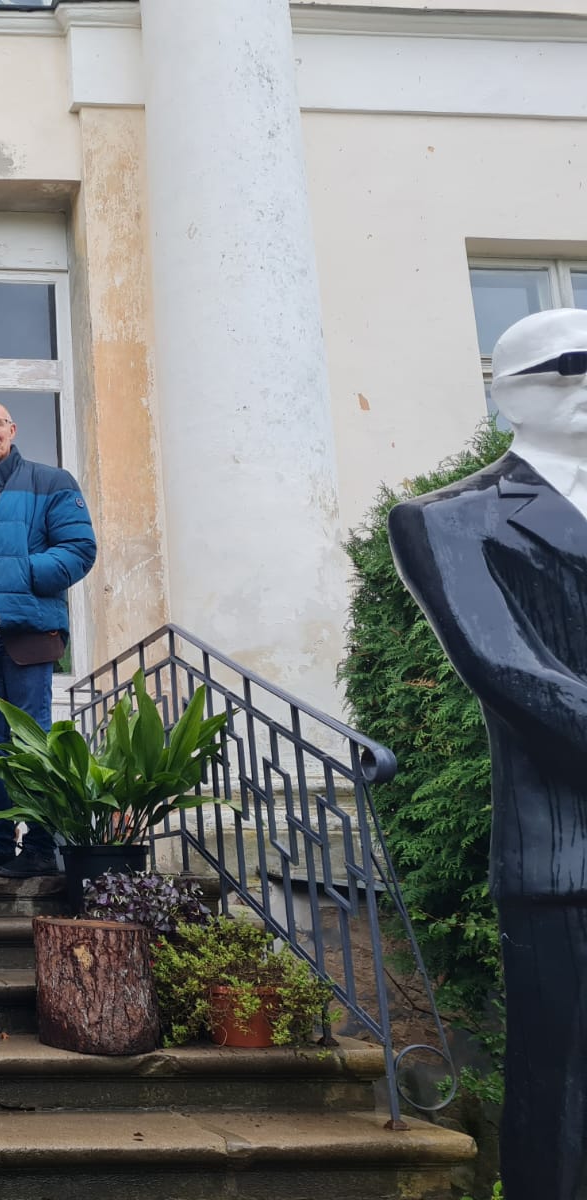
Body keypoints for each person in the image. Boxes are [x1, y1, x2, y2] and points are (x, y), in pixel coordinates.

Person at [388, 307, 587, 1200]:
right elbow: (507, 667)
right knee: (564, 1090)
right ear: (504, 392)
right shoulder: (450, 519)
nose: (586, 385)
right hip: (566, 852)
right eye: (566, 367)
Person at [0, 400, 96, 877]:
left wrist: (22, 574)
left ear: (12, 430)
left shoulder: (51, 481)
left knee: (32, 739)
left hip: (27, 634)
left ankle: (40, 846)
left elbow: (80, 549)